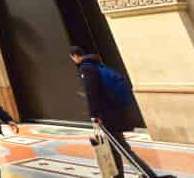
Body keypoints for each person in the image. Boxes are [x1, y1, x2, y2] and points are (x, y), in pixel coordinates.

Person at [70, 47, 167, 178]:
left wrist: (94, 115)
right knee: (114, 148)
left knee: (122, 148)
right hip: (114, 112)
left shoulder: (87, 69)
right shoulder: (96, 65)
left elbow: (92, 94)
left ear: (75, 56)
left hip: (107, 115)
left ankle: (150, 175)